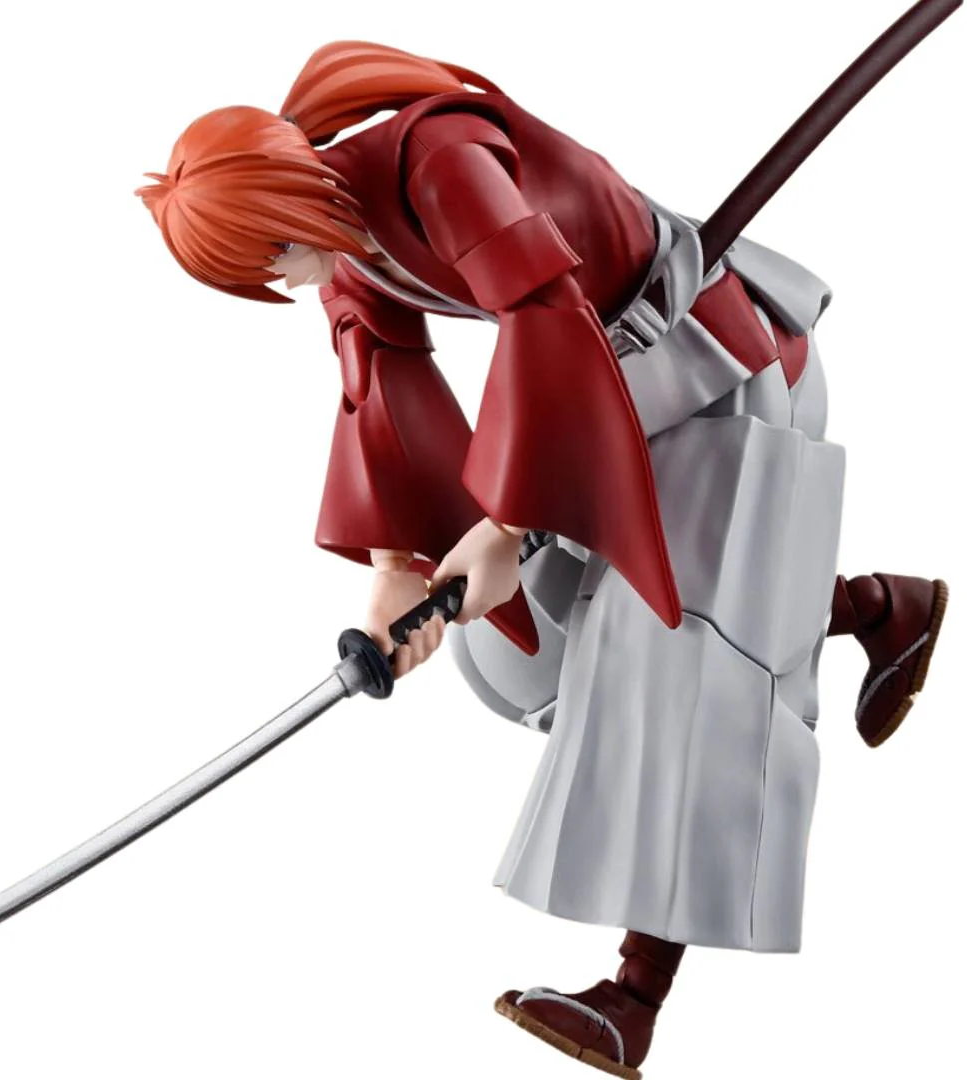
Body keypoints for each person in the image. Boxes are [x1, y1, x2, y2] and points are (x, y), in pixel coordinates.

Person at [137, 41, 947, 1078]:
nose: (278, 282)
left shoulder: (440, 161)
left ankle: (634, 998)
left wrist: (508, 523)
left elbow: (544, 315)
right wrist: (394, 567)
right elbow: (374, 387)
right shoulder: (344, 250)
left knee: (673, 673)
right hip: (608, 401)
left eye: (268, 257)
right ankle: (879, 608)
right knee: (527, 655)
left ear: (288, 198)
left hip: (715, 366)